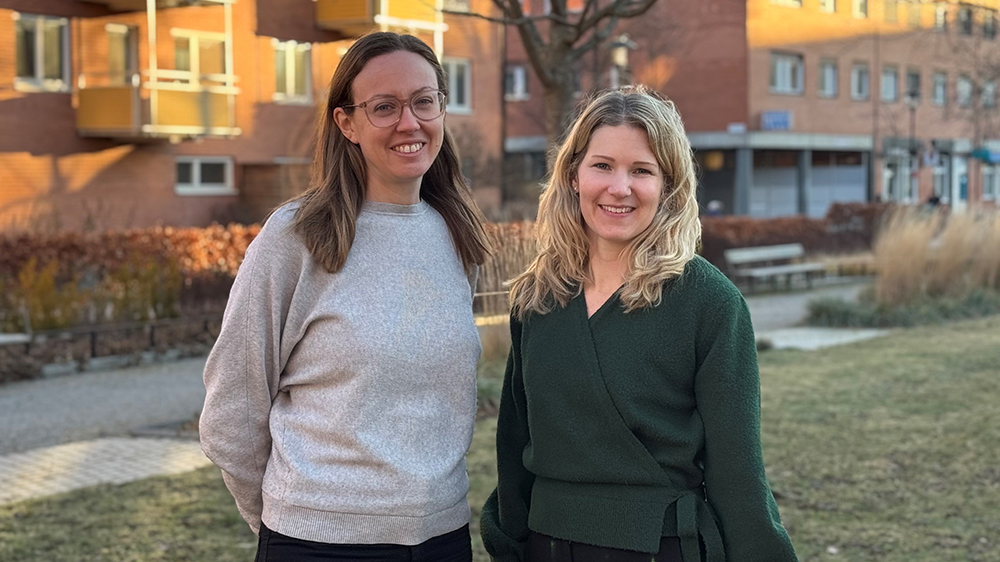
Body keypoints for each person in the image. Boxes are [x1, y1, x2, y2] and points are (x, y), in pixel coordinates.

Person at [200, 31, 489, 562]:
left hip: (442, 537)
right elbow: (231, 411)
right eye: (385, 107)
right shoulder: (296, 237)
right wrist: (287, 519)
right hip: (318, 543)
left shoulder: (455, 235)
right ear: (346, 123)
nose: (410, 123)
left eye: (424, 101)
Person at [480, 86, 798, 562]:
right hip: (544, 546)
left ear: (669, 186)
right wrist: (507, 544)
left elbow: (737, 474)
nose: (619, 187)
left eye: (642, 170)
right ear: (573, 175)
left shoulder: (709, 303)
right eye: (602, 165)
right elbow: (514, 445)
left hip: (658, 547)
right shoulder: (537, 297)